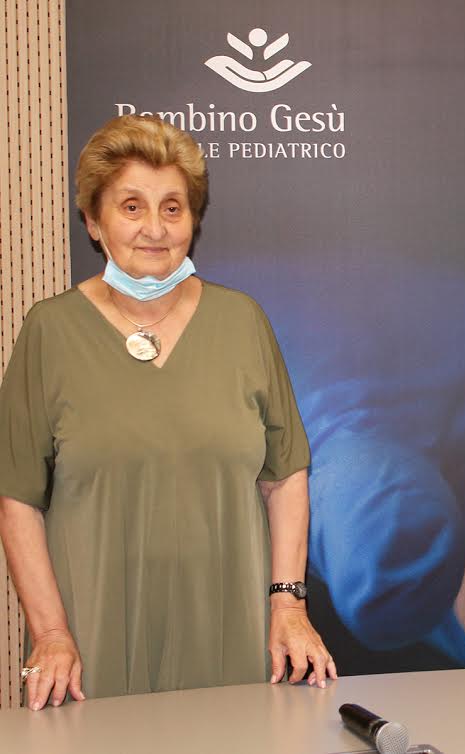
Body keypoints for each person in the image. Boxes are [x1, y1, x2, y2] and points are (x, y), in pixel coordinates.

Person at [0, 115, 335, 709]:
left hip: (233, 635)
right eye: (131, 206)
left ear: (193, 221)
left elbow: (285, 476)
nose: (155, 228)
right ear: (93, 221)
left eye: (173, 208)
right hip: (89, 648)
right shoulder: (49, 331)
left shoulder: (242, 322)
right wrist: (50, 634)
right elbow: (18, 498)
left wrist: (288, 606)